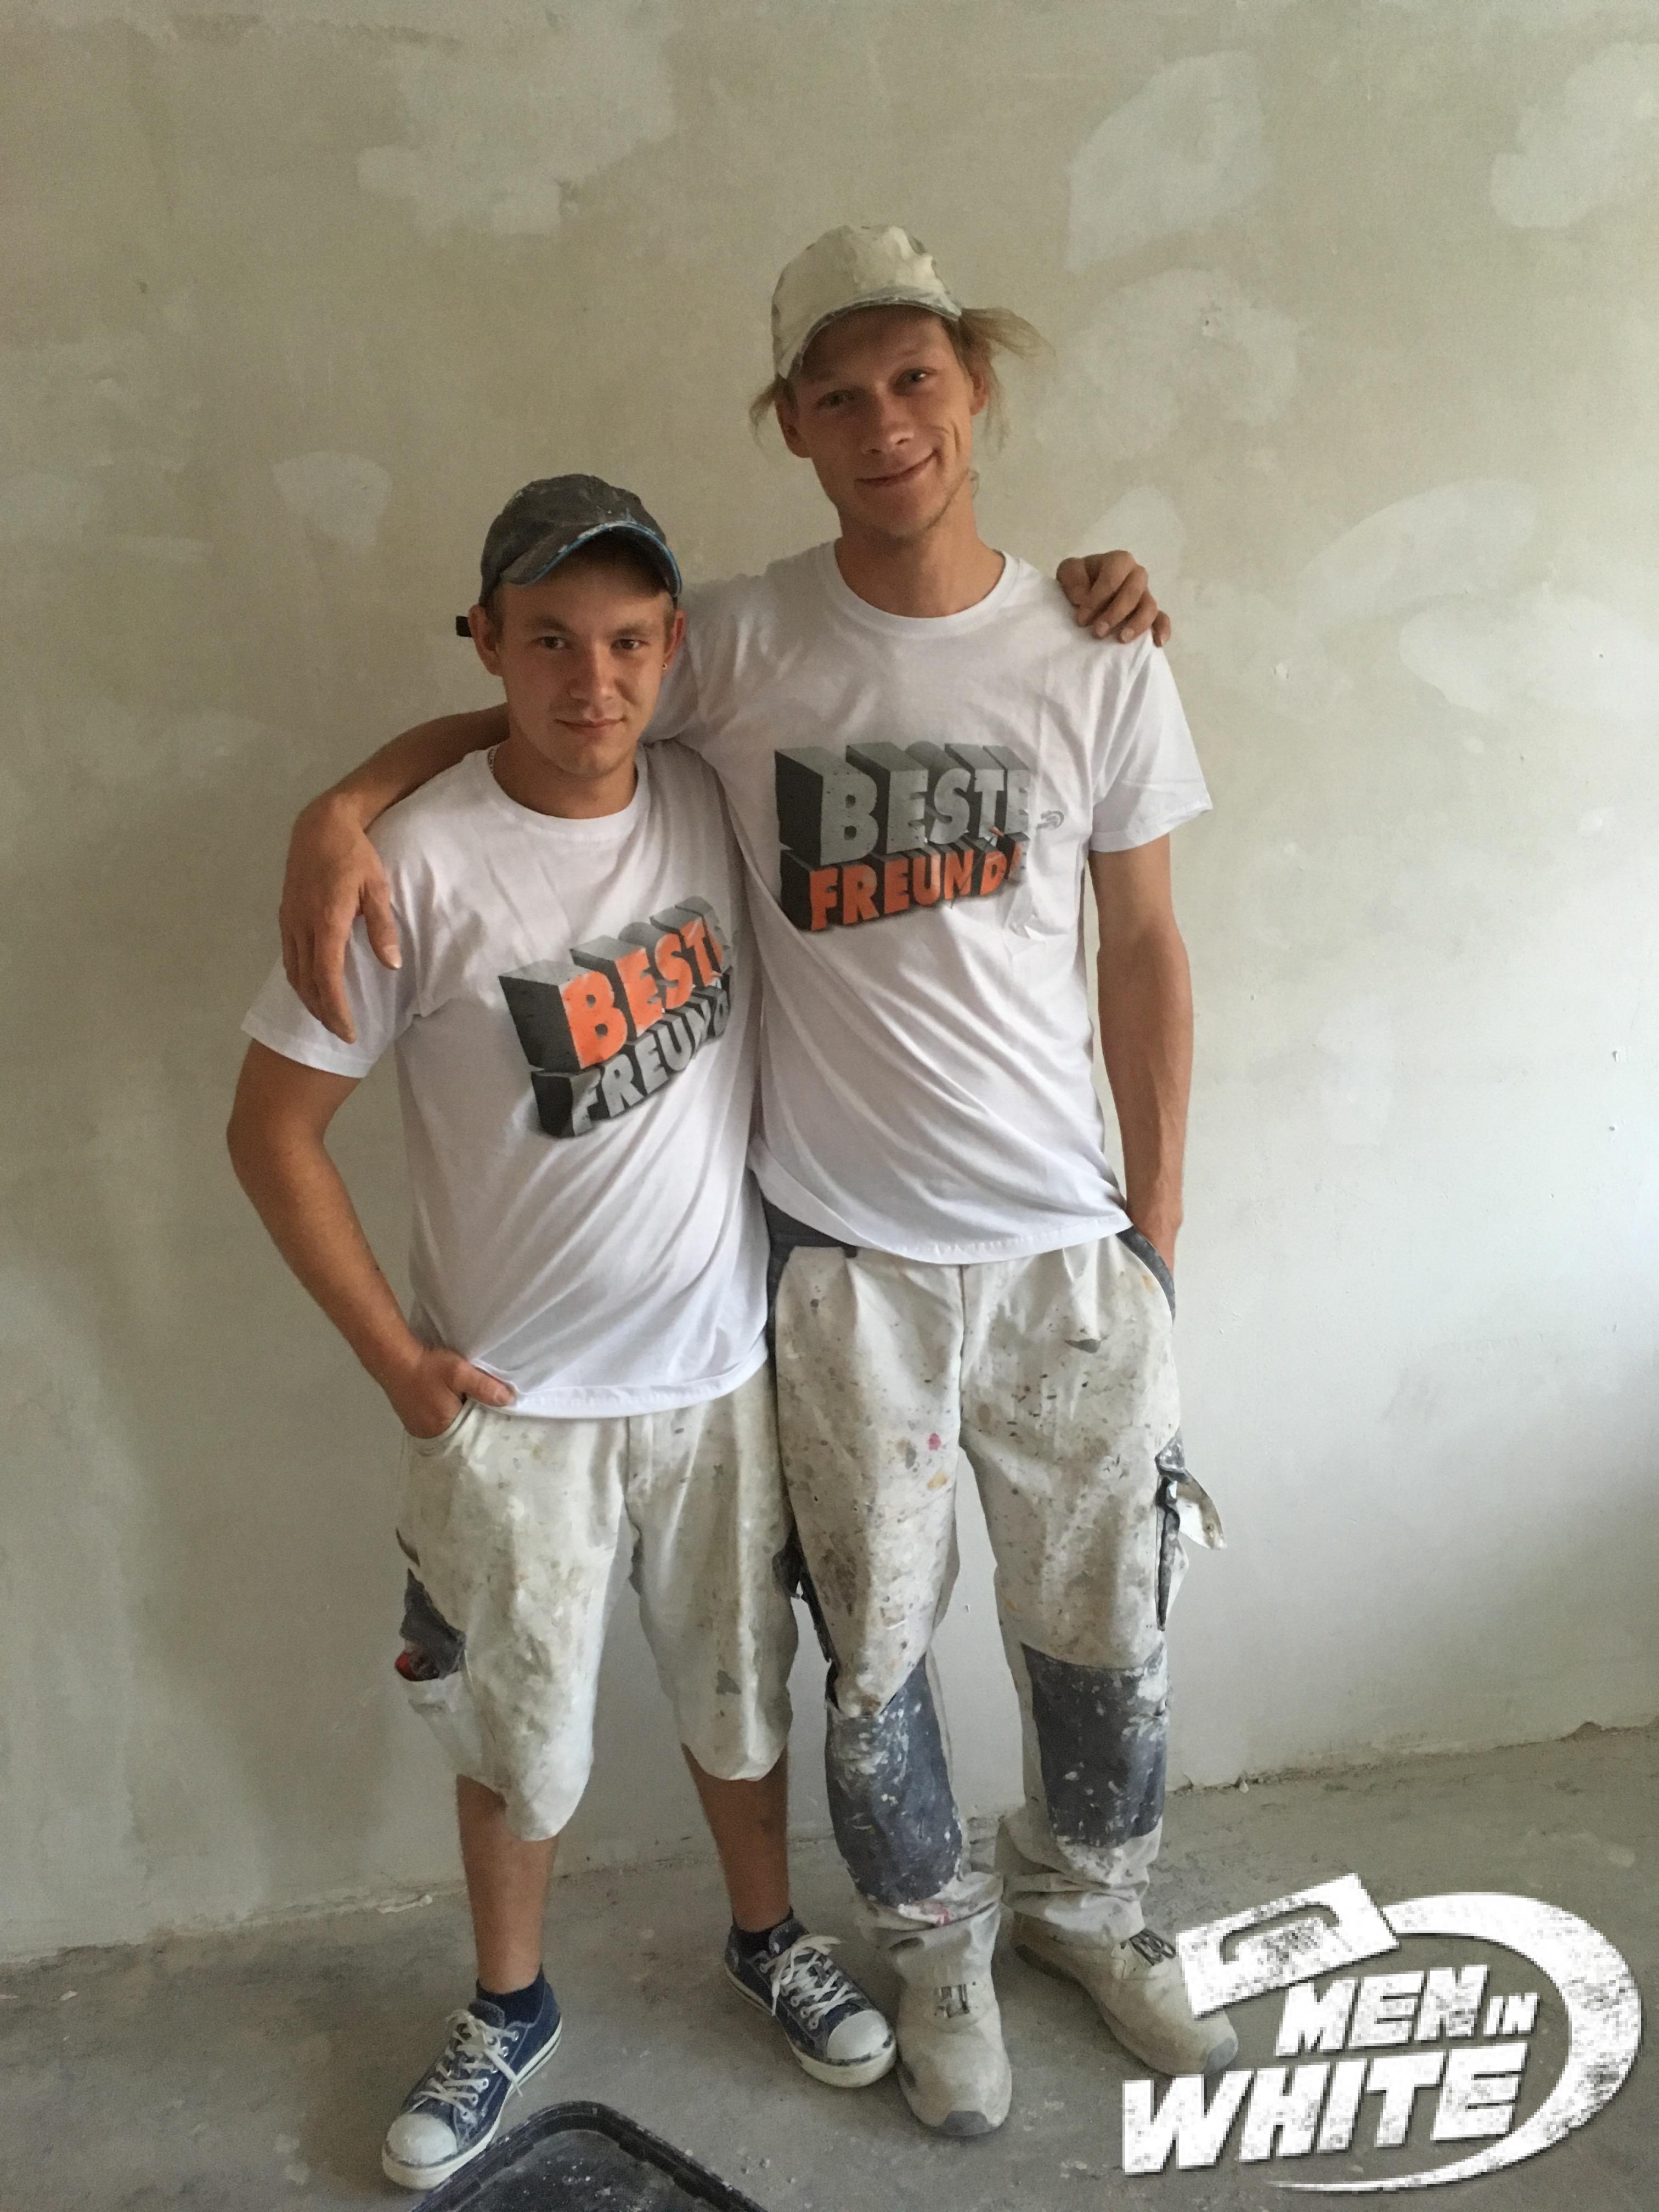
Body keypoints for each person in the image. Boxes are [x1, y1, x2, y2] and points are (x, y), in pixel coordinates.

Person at [277, 225, 1218, 2141]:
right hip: (846, 1261)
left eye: (916, 380)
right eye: (837, 394)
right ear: (791, 424)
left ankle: (1089, 1909)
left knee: (1104, 1621)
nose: (886, 424)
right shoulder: (744, 641)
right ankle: (935, 1955)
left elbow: (1146, 949)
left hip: (1068, 1243)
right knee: (872, 1656)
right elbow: (560, 692)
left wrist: (1160, 1224)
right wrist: (343, 804)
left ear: (975, 387)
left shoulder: (1097, 650)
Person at [227, 477, 896, 2195]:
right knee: (519, 1740)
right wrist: (401, 1369)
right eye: (547, 643)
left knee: (740, 1696)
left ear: (671, 649)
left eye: (625, 643)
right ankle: (508, 2004)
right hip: (513, 1407)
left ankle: (769, 1939)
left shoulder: (707, 794)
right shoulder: (416, 865)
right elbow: (270, 1132)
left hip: (717, 1371)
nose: (590, 683)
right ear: (485, 644)